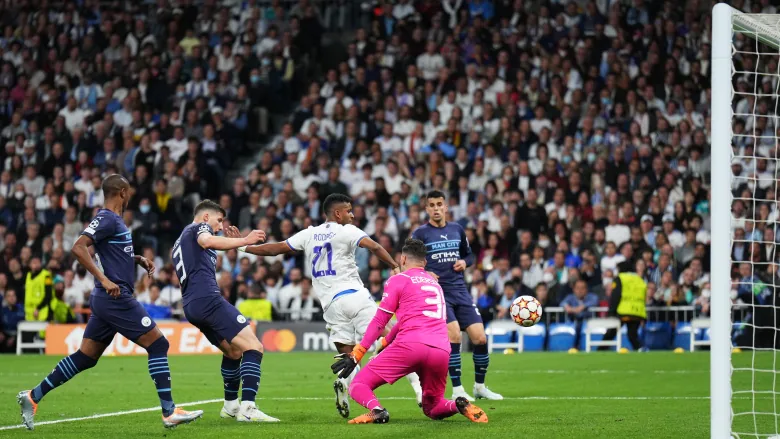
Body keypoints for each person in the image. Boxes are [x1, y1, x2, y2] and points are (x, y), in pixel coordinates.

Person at [17, 174, 203, 430]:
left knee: (85, 357)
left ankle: (32, 396)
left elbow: (109, 251)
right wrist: (104, 280)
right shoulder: (106, 218)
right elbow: (79, 247)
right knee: (159, 343)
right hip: (114, 297)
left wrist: (135, 259)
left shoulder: (113, 222)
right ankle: (169, 412)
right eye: (130, 193)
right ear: (123, 193)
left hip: (106, 300)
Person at [239, 193, 423, 418]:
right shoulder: (347, 230)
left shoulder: (309, 233)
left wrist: (242, 247)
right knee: (394, 340)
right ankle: (419, 390)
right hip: (354, 297)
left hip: (331, 306)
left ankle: (353, 391)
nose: (352, 214)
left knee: (348, 359)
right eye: (348, 210)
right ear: (338, 213)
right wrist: (395, 265)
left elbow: (275, 248)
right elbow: (374, 246)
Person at [330, 238, 488, 425]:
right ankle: (458, 405)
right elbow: (409, 320)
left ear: (403, 259)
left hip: (410, 346)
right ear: (425, 262)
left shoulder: (398, 280)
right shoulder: (435, 284)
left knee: (358, 384)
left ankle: (378, 411)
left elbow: (380, 320)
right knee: (433, 407)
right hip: (441, 349)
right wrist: (387, 342)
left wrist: (358, 352)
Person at [171, 199, 278, 423]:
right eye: (219, 220)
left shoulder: (180, 240)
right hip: (208, 299)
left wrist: (237, 244)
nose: (220, 226)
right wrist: (246, 239)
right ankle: (248, 408)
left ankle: (230, 406)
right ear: (206, 217)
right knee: (254, 347)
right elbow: (207, 239)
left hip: (192, 305)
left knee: (233, 352)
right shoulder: (198, 228)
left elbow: (209, 247)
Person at [411, 190, 502, 401]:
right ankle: (458, 389)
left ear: (446, 207)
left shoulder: (457, 229)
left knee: (480, 337)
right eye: (431, 205)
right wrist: (425, 272)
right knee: (454, 336)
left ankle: (480, 387)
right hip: (438, 294)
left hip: (460, 290)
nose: (435, 208)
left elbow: (469, 254)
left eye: (439, 204)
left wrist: (465, 262)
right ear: (426, 209)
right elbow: (408, 262)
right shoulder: (420, 234)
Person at [600, 260, 648, 351]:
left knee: (611, 332)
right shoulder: (640, 280)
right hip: (638, 311)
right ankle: (640, 349)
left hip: (623, 310)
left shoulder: (620, 278)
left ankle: (601, 350)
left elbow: (615, 295)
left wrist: (611, 311)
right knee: (632, 334)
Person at [23, 256, 53, 321]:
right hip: (29, 313)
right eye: (33, 262)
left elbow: (49, 295)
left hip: (42, 311)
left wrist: (38, 308)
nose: (35, 265)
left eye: (37, 262)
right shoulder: (28, 275)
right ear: (30, 265)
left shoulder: (47, 275)